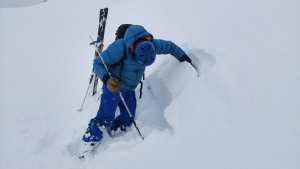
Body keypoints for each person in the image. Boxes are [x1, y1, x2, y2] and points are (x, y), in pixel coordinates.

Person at [82, 24, 192, 144]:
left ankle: (117, 130)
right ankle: (92, 135)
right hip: (113, 85)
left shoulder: (154, 45)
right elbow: (97, 63)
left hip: (128, 89)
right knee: (107, 114)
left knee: (128, 117)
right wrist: (107, 79)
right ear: (132, 49)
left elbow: (170, 47)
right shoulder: (120, 47)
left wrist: (183, 57)